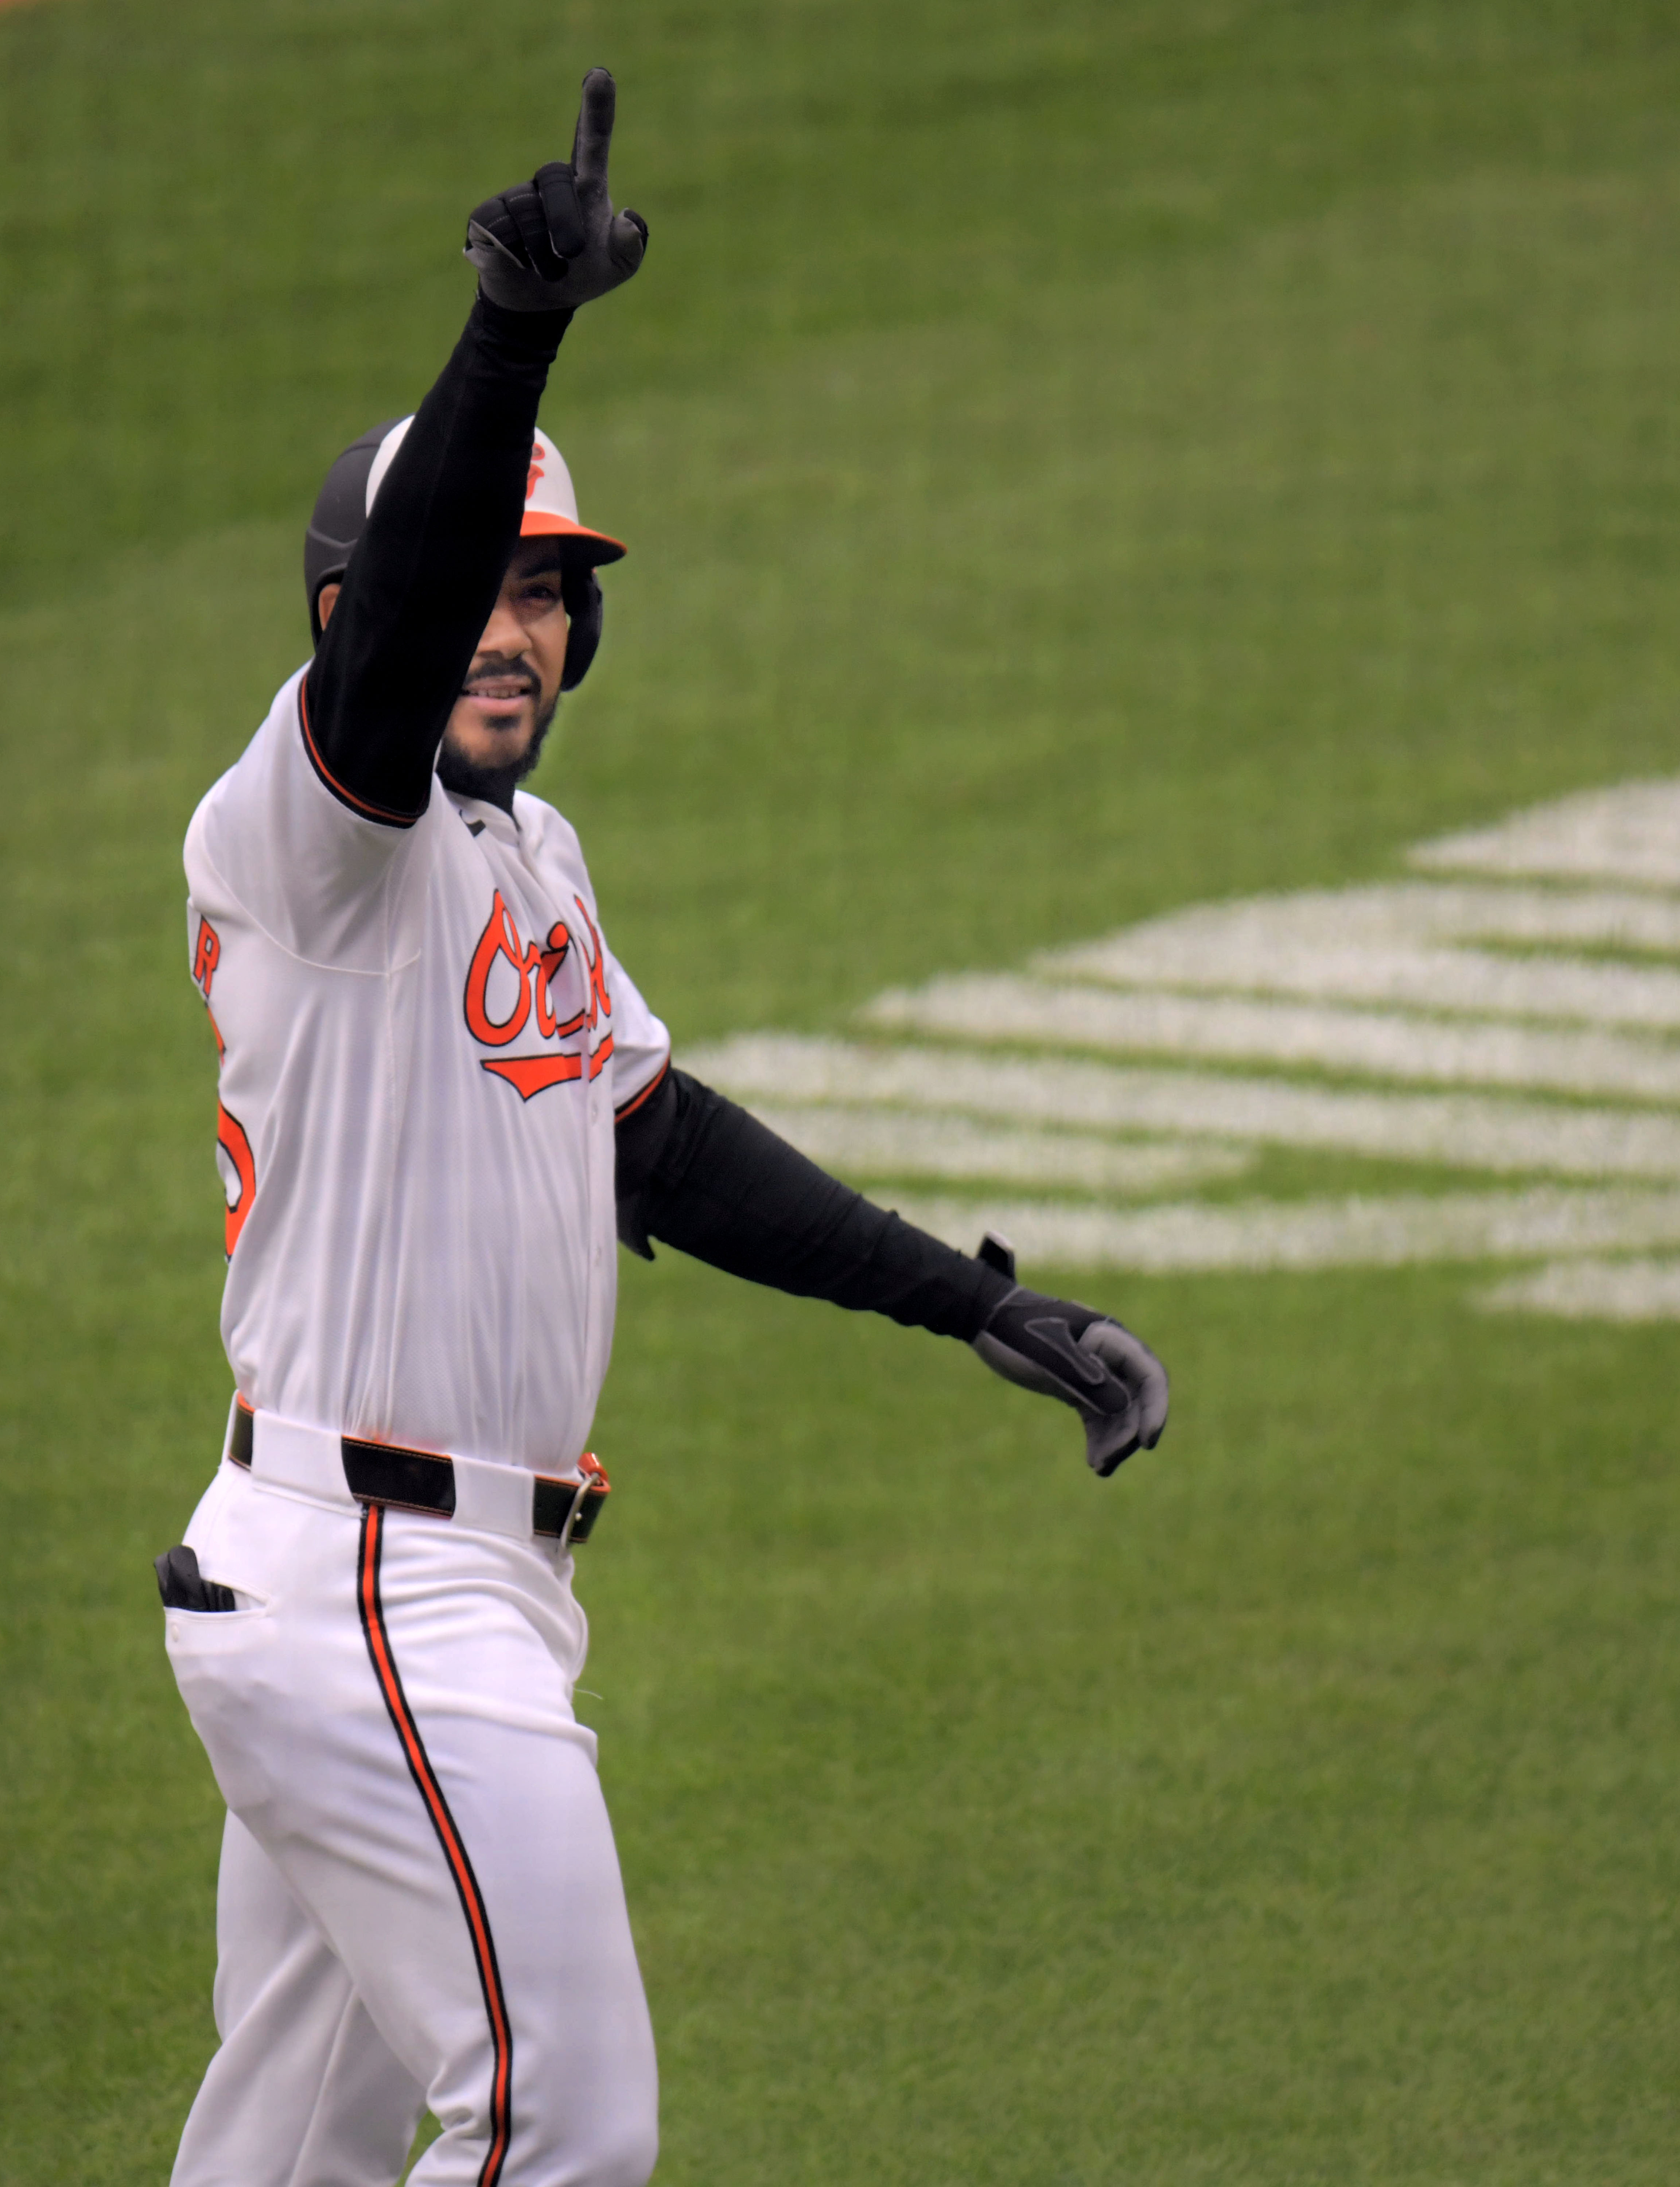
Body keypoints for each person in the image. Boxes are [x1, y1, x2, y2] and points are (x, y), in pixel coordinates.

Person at [159, 71, 1168, 2187]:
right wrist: (514, 336)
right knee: (562, 2130)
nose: (514, 630)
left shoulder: (530, 863)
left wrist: (964, 1305)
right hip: (374, 1589)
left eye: (553, 594)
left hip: (425, 1584)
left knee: (293, 2165)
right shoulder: (311, 837)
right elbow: (394, 643)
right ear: (356, 614)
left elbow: (659, 1141)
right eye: (484, 589)